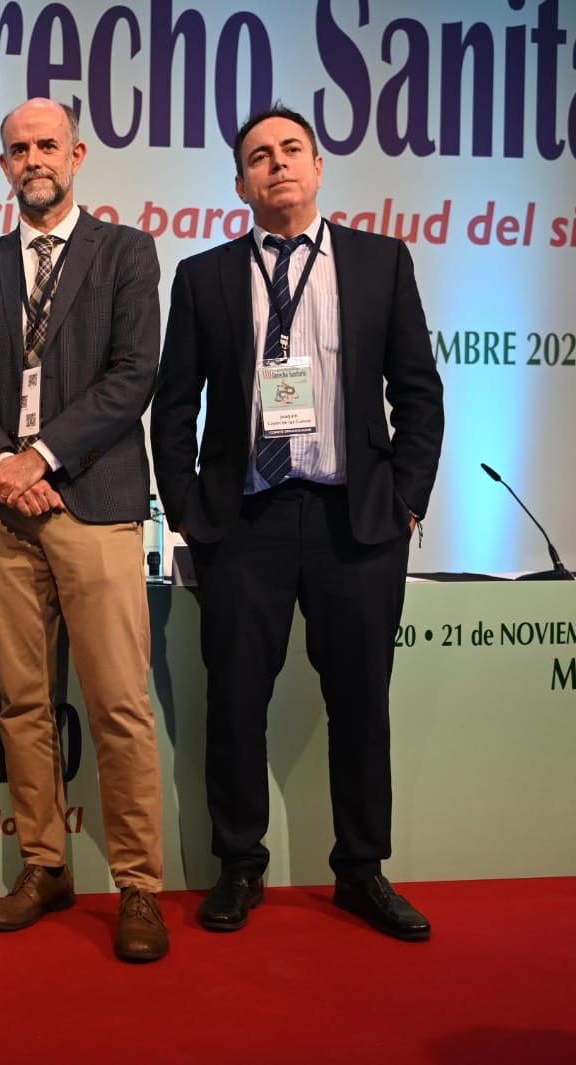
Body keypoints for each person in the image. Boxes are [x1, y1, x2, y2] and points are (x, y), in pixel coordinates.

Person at [151, 104, 444, 940]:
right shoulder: (203, 277)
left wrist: (407, 500)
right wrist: (191, 516)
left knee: (362, 701)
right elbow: (173, 410)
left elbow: (418, 393)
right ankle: (239, 864)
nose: (277, 164)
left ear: (318, 167)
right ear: (239, 183)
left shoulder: (380, 262)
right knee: (236, 699)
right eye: (259, 156)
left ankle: (362, 869)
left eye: (291, 150)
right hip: (246, 521)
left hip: (357, 520)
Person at [0, 99, 168, 962]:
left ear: (77, 156)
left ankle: (139, 883)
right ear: (3, 165)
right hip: (7, 512)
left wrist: (41, 457)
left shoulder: (126, 252)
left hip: (94, 502)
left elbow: (134, 374)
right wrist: (5, 462)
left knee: (118, 704)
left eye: (48, 144)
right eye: (19, 148)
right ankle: (45, 866)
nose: (33, 158)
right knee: (23, 704)